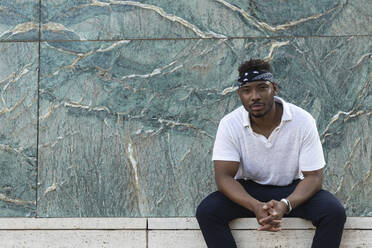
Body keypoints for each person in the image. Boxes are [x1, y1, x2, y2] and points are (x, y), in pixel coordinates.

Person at [196, 59, 346, 248]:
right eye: (247, 90)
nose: (254, 96)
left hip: (292, 190)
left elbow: (314, 177)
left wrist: (285, 204)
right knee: (207, 211)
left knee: (334, 212)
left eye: (261, 88)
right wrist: (255, 206)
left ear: (274, 88)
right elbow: (224, 177)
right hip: (249, 190)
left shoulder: (302, 120)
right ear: (239, 94)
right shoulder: (230, 123)